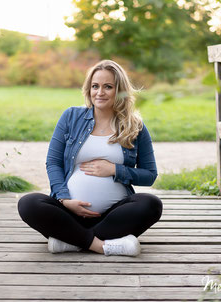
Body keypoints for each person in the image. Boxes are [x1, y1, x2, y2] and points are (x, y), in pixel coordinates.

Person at [18, 60, 162, 257]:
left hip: (114, 216)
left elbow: (149, 175)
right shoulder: (71, 116)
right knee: (28, 203)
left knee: (151, 204)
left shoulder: (134, 126)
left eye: (108, 87)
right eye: (95, 86)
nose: (99, 92)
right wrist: (65, 199)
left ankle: (70, 241)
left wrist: (115, 170)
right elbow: (53, 162)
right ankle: (102, 245)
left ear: (119, 91)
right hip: (70, 213)